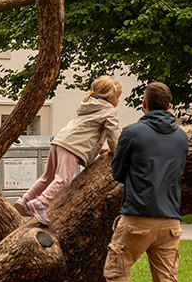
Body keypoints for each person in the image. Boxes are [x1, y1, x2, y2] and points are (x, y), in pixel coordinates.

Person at [100, 81, 188, 282]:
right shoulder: (182, 138)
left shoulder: (132, 132)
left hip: (137, 216)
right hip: (171, 220)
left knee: (116, 271)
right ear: (170, 107)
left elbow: (116, 173)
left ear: (144, 105)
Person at [15, 76, 122, 223]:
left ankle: (25, 199)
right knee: (63, 180)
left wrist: (100, 150)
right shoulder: (108, 110)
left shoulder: (89, 105)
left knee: (48, 177)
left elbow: (86, 132)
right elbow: (114, 132)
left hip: (59, 141)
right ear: (109, 96)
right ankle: (40, 203)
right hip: (72, 147)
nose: (118, 101)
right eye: (117, 97)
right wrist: (116, 150)